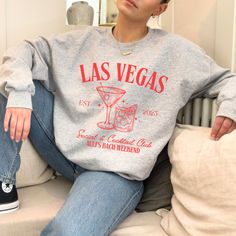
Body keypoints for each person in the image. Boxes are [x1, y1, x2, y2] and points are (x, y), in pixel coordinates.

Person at [0, 0, 236, 235]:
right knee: (10, 87)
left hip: (115, 173)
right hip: (64, 151)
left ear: (160, 9)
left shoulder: (178, 52)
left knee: (67, 232)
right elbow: (23, 51)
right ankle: (4, 183)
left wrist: (230, 107)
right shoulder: (80, 42)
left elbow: (226, 79)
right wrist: (20, 92)